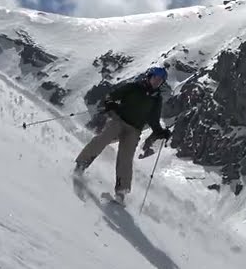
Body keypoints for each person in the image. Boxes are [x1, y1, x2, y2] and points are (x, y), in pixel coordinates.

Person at [73, 66, 172, 203]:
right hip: (119, 120)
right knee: (102, 139)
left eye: (160, 80)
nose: (157, 81)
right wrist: (110, 103)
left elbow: (153, 119)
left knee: (125, 158)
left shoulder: (156, 99)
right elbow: (112, 95)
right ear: (149, 77)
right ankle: (81, 164)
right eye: (155, 78)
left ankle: (121, 192)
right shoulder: (133, 87)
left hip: (134, 130)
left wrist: (160, 131)